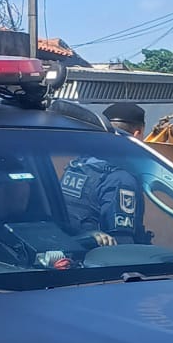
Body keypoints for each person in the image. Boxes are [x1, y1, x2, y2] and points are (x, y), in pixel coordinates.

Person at [61, 103, 150, 243]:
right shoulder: (121, 179)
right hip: (98, 254)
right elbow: (122, 244)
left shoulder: (78, 165)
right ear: (137, 135)